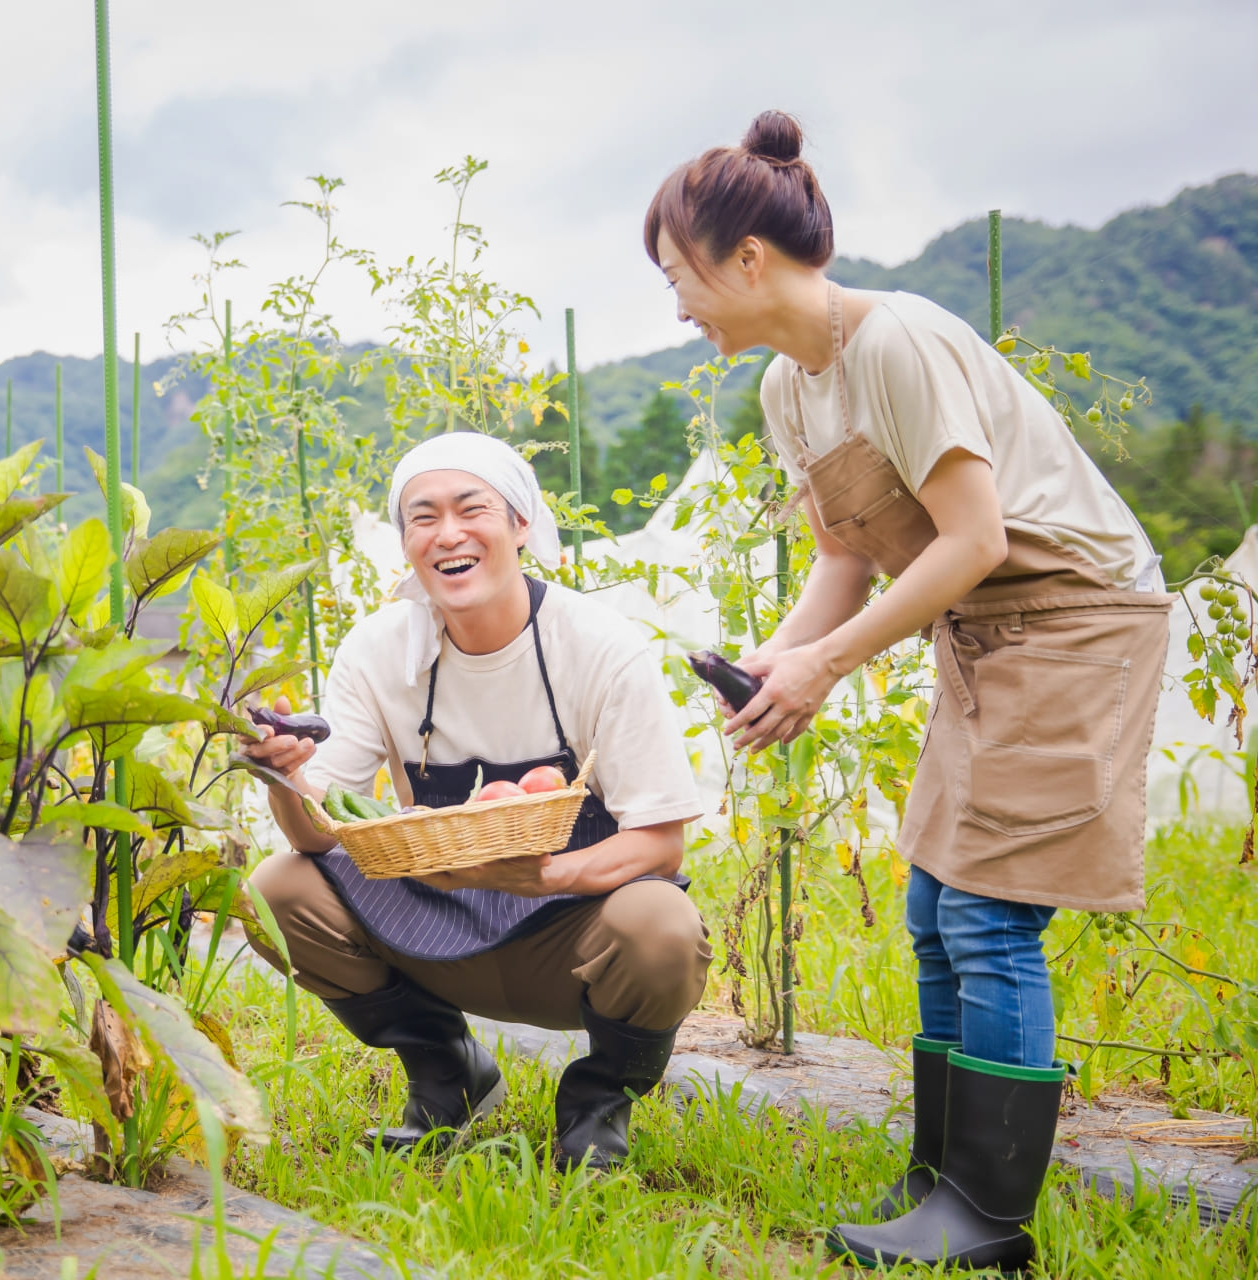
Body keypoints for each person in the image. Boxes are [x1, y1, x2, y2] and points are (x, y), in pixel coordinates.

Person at [645, 111, 1172, 1270]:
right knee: (936, 906)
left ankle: (988, 1215)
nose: (677, 304)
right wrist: (780, 664)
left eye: (681, 274)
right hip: (985, 632)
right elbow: (845, 556)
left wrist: (830, 666)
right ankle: (939, 1175)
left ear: (747, 257)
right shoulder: (793, 386)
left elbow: (974, 534)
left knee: (989, 911)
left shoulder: (900, 342)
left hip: (1075, 620)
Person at [239, 431, 712, 1172]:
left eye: (471, 509)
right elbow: (319, 838)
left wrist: (546, 875)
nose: (448, 534)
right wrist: (285, 776)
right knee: (278, 888)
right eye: (422, 517)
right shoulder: (378, 649)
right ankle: (447, 1074)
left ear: (521, 524)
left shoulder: (599, 646)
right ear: (405, 544)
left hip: (569, 936)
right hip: (433, 918)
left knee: (662, 923)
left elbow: (660, 846)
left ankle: (597, 1103)